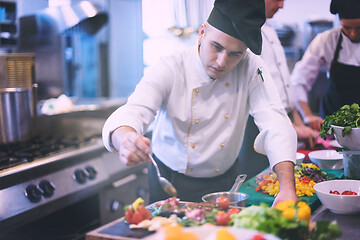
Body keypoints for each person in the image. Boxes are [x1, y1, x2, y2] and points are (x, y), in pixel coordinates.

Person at [102, 0, 297, 206]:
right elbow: (134, 110)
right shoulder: (172, 67)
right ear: (202, 33)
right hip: (169, 181)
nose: (222, 62)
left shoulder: (251, 66)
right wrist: (125, 138)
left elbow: (276, 122)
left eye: (235, 54)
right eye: (217, 47)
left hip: (226, 181)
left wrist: (287, 187)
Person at [238, 0, 319, 178]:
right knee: (260, 185)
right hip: (257, 129)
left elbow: (284, 84)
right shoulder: (242, 31)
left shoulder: (270, 29)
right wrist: (293, 129)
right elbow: (254, 96)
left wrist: (296, 122)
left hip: (283, 124)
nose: (281, 6)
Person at [291, 0, 360, 131]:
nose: (353, 34)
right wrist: (308, 116)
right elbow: (298, 80)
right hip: (333, 126)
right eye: (347, 28)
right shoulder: (326, 41)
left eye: (359, 28)